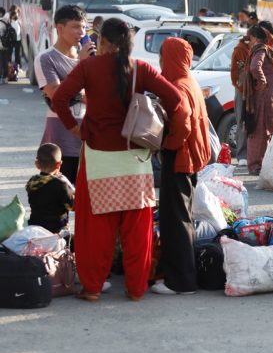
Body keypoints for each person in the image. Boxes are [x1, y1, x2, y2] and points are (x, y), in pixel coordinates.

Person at [52, 18, 189, 302]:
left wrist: (75, 128)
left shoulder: (89, 66)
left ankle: (92, 288)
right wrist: (159, 131)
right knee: (136, 230)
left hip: (98, 157)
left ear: (102, 41)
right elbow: (175, 99)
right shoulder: (141, 68)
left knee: (96, 229)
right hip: (135, 159)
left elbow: (60, 98)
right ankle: (136, 289)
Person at [152, 38, 211, 296]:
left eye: (163, 55)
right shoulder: (190, 82)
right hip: (189, 160)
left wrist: (168, 144)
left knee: (175, 220)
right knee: (182, 217)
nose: (160, 61)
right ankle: (179, 275)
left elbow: (184, 121)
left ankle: (181, 281)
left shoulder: (177, 86)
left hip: (179, 158)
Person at [35, 5, 93, 184]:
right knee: (61, 197)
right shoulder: (46, 58)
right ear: (60, 28)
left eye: (84, 27)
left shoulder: (90, 57)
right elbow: (57, 95)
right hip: (61, 137)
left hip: (90, 136)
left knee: (88, 202)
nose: (81, 32)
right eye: (75, 27)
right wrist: (81, 66)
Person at [244, 21, 273, 176]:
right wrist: (263, 81)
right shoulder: (261, 50)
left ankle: (259, 163)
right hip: (264, 99)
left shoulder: (264, 49)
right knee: (260, 131)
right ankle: (256, 165)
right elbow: (254, 67)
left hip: (266, 98)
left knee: (262, 131)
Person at [26, 143, 75, 235]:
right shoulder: (61, 185)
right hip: (57, 231)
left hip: (35, 228)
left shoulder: (32, 182)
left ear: (37, 164)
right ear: (59, 164)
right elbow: (72, 206)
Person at [230, 33, 252, 166]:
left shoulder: (257, 48)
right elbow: (235, 74)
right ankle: (242, 154)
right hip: (242, 90)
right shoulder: (240, 50)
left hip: (254, 91)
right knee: (242, 122)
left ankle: (251, 153)